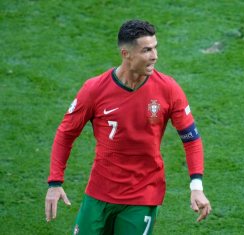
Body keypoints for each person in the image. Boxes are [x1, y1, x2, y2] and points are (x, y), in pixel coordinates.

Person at [45, 19, 212, 235]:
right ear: (126, 54)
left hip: (142, 195)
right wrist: (54, 183)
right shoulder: (95, 89)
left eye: (155, 47)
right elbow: (66, 133)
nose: (155, 56)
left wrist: (196, 187)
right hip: (99, 192)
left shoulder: (168, 89)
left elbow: (191, 139)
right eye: (147, 50)